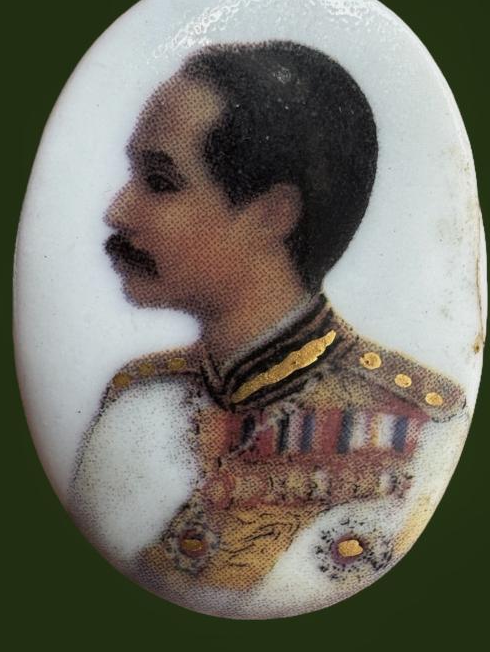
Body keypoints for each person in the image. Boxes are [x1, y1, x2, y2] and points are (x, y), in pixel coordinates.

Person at [71, 41, 465, 605]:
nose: (117, 210)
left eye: (159, 182)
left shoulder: (425, 429)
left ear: (272, 214)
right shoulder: (134, 404)